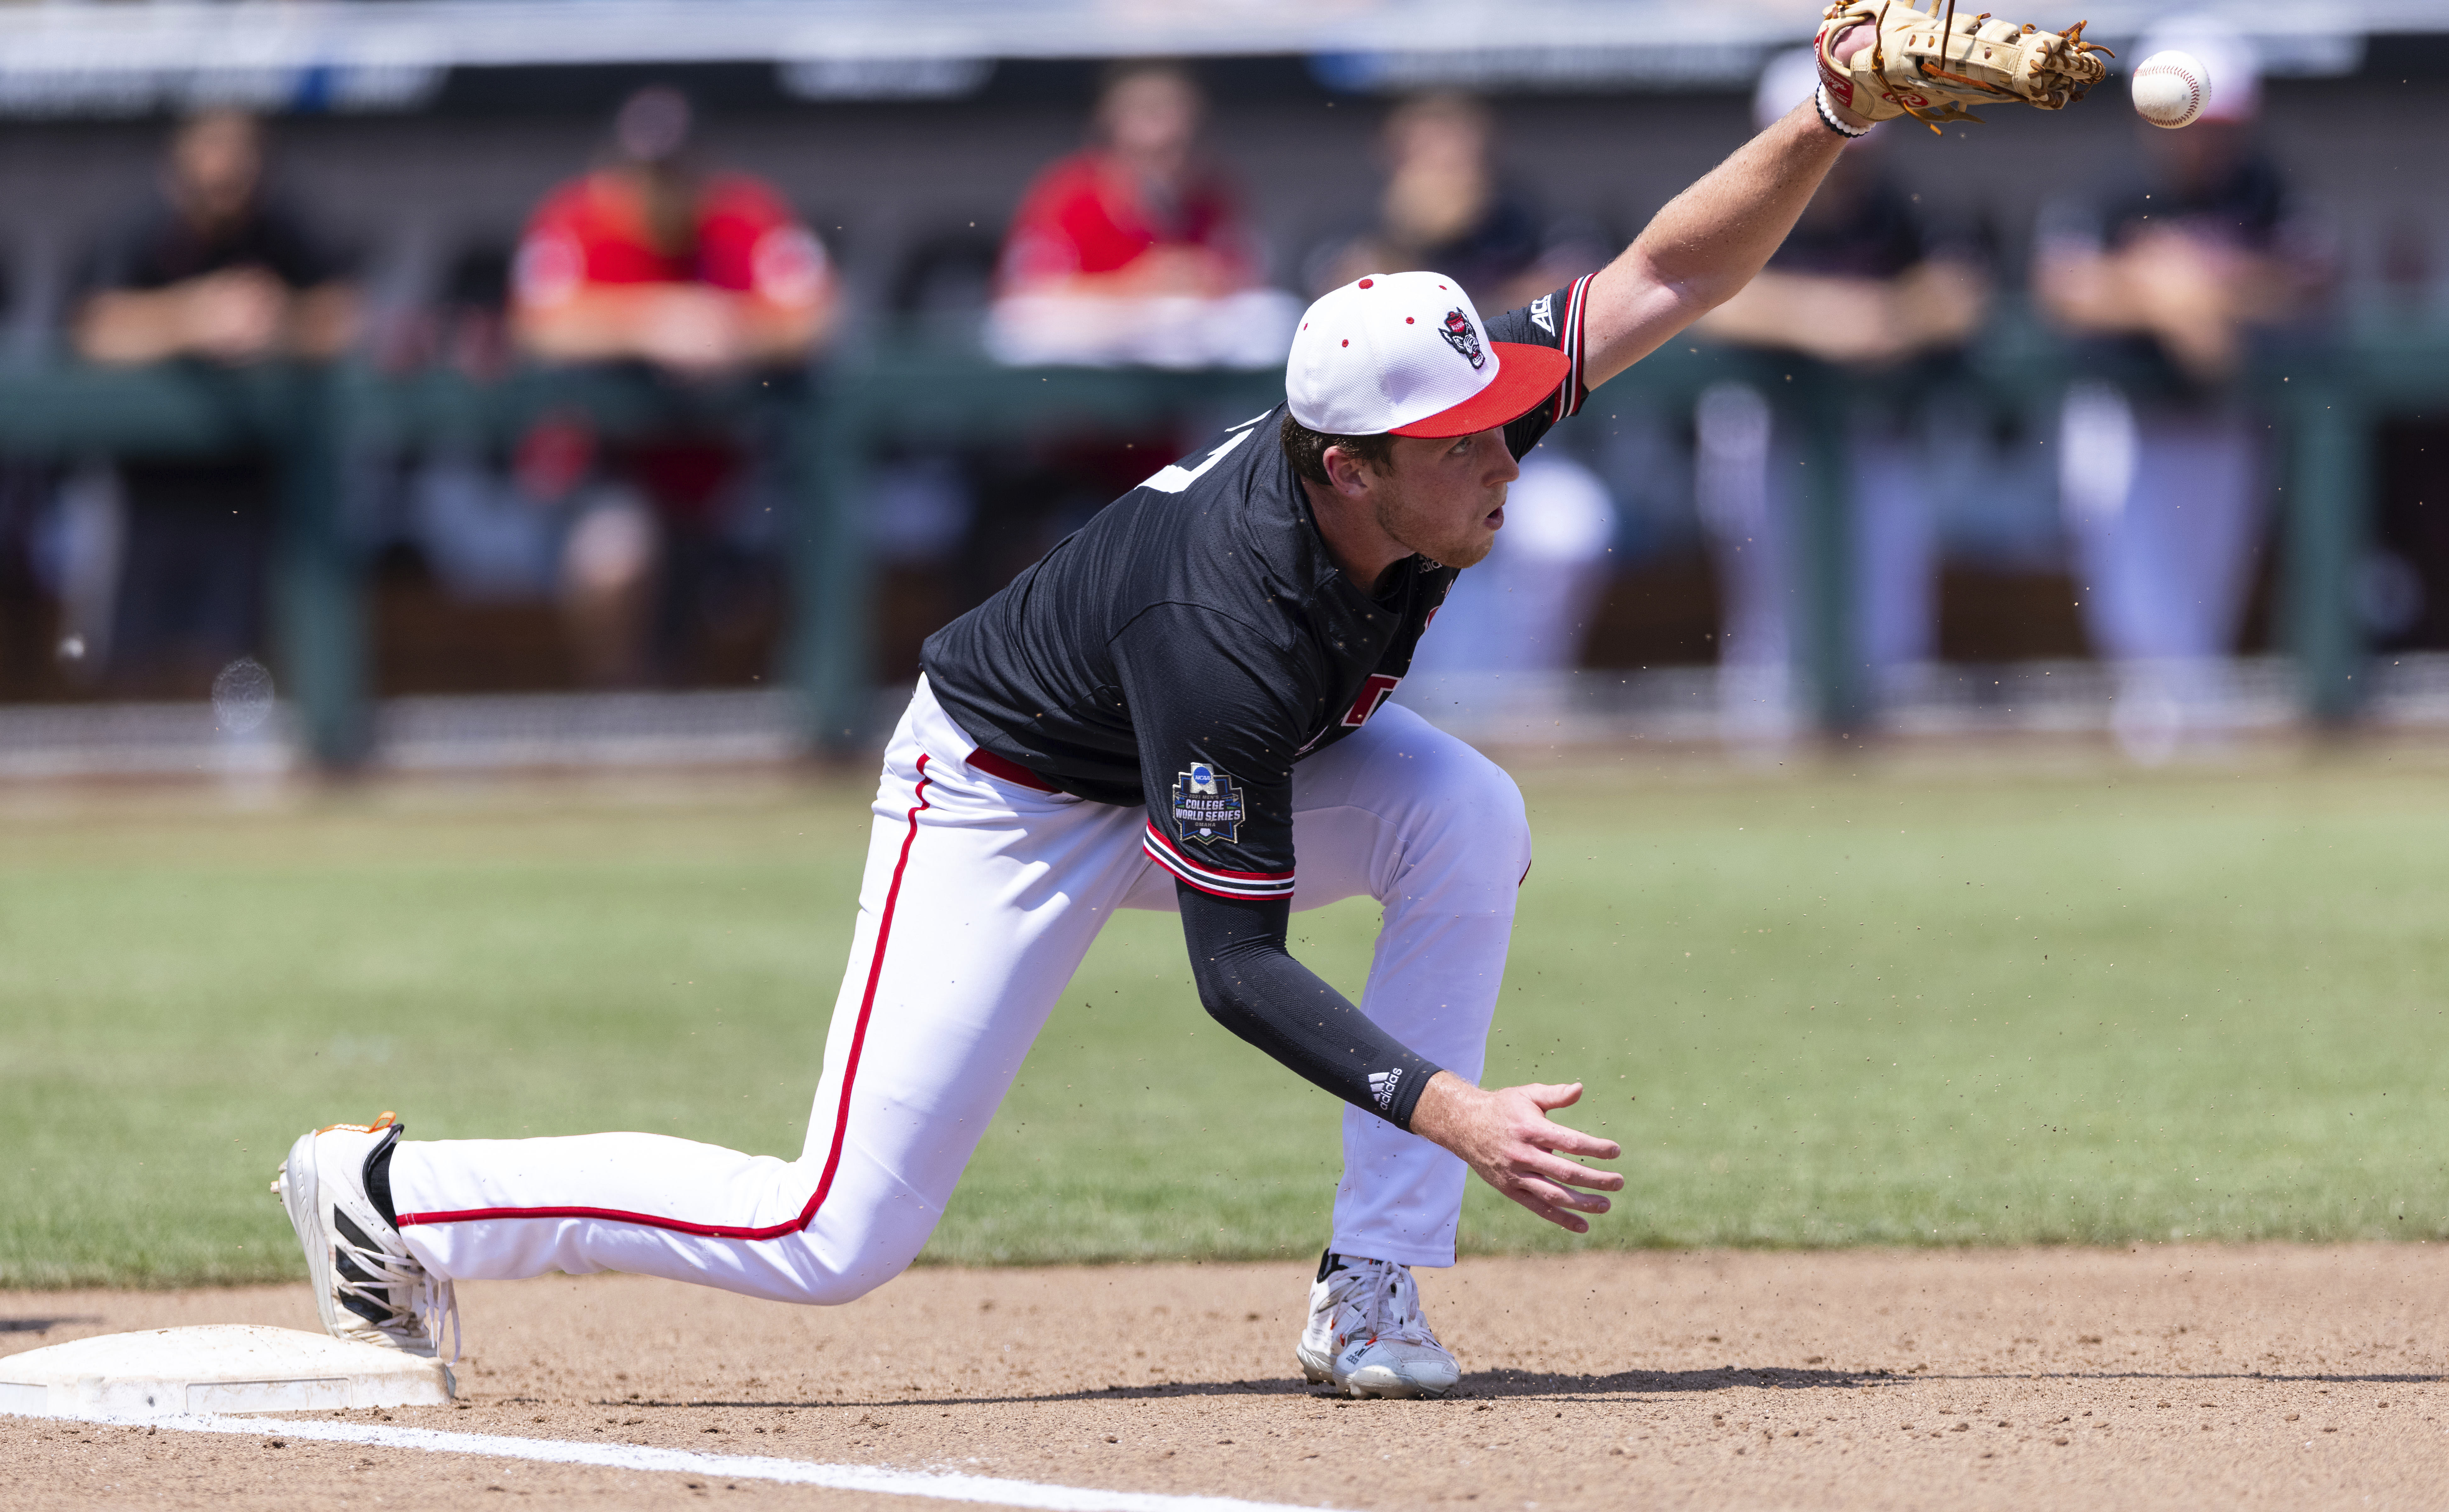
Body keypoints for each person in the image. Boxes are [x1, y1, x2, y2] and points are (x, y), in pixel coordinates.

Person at [270, 18, 1995, 1400]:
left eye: (1493, 412)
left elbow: (1667, 279)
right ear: (1346, 469)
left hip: (1195, 762)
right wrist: (1445, 1106)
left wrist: (1825, 112)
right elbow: (1234, 972)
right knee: (831, 1227)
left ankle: (1372, 1289)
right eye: (1459, 435)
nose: (1503, 446)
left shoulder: (1425, 442)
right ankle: (391, 1193)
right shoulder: (1225, 615)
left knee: (1463, 812)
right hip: (1007, 796)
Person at [1690, 48, 1991, 741]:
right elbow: (1696, 302)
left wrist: (1888, 316)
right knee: (1773, 637)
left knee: (1892, 637)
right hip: (1766, 438)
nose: (1845, 160)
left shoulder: (1897, 208)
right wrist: (1817, 315)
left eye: (1855, 142)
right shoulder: (1738, 202)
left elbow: (1959, 294)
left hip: (1876, 438)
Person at [2033, 17, 2312, 759]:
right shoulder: (2116, 193)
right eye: (2190, 123)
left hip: (2220, 418)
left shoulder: (2266, 189)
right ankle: (2164, 740)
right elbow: (2064, 288)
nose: (2204, 141)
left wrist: (2194, 282)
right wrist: (2164, 290)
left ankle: (2187, 741)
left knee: (2206, 601)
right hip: (2125, 416)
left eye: (2218, 125)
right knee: (2139, 611)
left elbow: (2307, 280)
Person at [509, 85, 838, 685]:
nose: (658, 191)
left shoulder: (742, 218)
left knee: (808, 543)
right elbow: (539, 325)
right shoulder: (578, 219)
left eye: (672, 174)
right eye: (645, 175)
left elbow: (814, 318)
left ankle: (785, 728)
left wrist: (730, 328)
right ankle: (627, 715)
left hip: (733, 473)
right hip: (611, 470)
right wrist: (652, 320)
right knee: (612, 559)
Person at [1318, 94, 1617, 700]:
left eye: (1460, 148)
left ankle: (1526, 704)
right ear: (1393, 158)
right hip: (1397, 465)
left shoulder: (1521, 223)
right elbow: (1349, 311)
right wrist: (1409, 237)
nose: (1448, 166)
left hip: (1515, 449)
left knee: (1569, 530)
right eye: (1428, 150)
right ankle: (1419, 712)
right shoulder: (1362, 233)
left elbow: (1572, 294)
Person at [71, 109, 356, 696]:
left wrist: (278, 321)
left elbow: (345, 317)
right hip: (146, 484)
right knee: (129, 659)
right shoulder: (141, 228)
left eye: (240, 175)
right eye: (211, 176)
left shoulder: (281, 228)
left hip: (243, 479)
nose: (226, 191)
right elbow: (94, 330)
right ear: (178, 171)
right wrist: (196, 317)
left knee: (234, 655)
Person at [986, 62, 1297, 368]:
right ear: (1110, 134)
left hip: (1189, 388)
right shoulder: (1068, 194)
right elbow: (1022, 305)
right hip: (1083, 393)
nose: (1167, 161)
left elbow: (1252, 289)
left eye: (1178, 146)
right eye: (1147, 149)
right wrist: (1134, 286)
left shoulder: (1214, 195)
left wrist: (1205, 281)